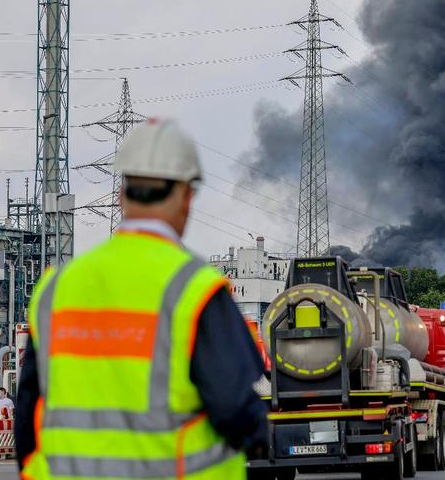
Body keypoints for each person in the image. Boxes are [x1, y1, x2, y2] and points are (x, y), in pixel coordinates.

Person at [16, 119, 268, 479]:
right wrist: (260, 437)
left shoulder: (57, 290)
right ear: (186, 196)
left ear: (122, 194)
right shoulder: (194, 289)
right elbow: (235, 408)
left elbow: (28, 416)